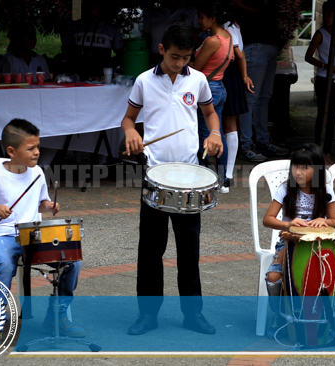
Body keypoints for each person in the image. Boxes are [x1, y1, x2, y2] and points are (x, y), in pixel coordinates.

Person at [121, 23, 223, 336]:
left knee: (189, 249)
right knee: (150, 250)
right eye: (175, 57)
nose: (180, 63)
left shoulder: (199, 79)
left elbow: (209, 114)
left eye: (186, 58)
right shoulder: (143, 82)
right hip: (154, 175)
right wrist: (129, 132)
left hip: (190, 175)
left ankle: (193, 314)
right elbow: (128, 117)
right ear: (162, 49)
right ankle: (147, 315)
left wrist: (216, 133)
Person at [0, 119, 84, 352]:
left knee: (72, 259)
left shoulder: (37, 172)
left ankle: (56, 316)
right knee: (3, 262)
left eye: (37, 146)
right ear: (12, 151)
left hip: (31, 235)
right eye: (30, 148)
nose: (37, 152)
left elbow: (38, 204)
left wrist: (49, 205)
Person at [261, 143, 335, 339]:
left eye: (304, 167)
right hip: (289, 243)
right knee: (274, 278)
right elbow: (267, 219)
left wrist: (324, 220)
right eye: (295, 166)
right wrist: (288, 224)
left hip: (321, 246)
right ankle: (279, 315)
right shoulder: (285, 189)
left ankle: (326, 311)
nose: (298, 172)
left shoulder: (325, 191)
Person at [235, 0, 289, 161]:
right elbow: (237, 5)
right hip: (255, 44)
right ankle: (246, 145)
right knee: (251, 97)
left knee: (264, 97)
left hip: (268, 44)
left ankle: (262, 140)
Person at [189, 1, 234, 191]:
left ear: (212, 19)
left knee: (203, 136)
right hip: (220, 87)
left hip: (207, 89)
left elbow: (195, 67)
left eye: (202, 18)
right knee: (218, 134)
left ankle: (204, 179)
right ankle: (223, 179)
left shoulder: (212, 40)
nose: (199, 21)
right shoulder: (228, 37)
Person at [305, 0, 335, 166]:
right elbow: (308, 56)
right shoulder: (321, 34)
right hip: (324, 79)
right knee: (324, 116)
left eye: (332, 15)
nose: (328, 18)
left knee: (333, 118)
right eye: (326, 14)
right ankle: (321, 152)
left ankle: (327, 153)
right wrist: (326, 66)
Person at [218, 12, 254, 194]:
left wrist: (244, 76)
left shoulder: (228, 26)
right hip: (228, 75)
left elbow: (238, 54)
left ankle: (227, 174)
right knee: (225, 124)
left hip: (228, 75)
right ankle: (225, 174)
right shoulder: (230, 25)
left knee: (228, 124)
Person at [61, 0, 124, 80]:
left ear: (101, 8)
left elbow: (121, 55)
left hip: (100, 77)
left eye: (93, 6)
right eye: (87, 6)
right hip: (77, 76)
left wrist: (107, 64)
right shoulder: (76, 27)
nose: (88, 9)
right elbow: (66, 49)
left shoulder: (111, 29)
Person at [143, 0, 202, 65]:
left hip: (180, 55)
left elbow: (201, 32)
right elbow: (146, 36)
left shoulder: (192, 13)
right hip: (155, 56)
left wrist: (183, 27)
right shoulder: (154, 13)